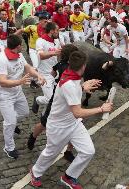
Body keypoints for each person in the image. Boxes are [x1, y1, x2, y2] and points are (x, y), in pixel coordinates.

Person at [30, 50, 113, 188]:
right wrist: (101, 109)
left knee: (88, 151)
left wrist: (83, 86)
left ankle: (69, 177)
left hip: (72, 123)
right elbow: (77, 112)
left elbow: (72, 92)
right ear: (83, 66)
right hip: (59, 126)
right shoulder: (69, 83)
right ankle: (35, 172)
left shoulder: (71, 75)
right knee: (51, 153)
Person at [0, 34, 45, 159]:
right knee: (10, 122)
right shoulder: (1, 59)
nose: (23, 46)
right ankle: (9, 147)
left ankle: (11, 122)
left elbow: (27, 68)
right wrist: (20, 82)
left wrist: (38, 75)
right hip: (3, 94)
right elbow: (3, 82)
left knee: (25, 112)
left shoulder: (20, 55)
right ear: (18, 46)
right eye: (22, 44)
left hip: (17, 91)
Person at [27, 44, 79, 162]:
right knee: (45, 122)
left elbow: (52, 73)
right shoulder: (70, 68)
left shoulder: (59, 64)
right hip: (59, 99)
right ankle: (33, 137)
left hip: (70, 98)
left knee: (75, 124)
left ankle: (68, 150)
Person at [32, 22, 61, 114]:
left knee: (56, 97)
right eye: (57, 30)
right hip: (44, 75)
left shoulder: (56, 41)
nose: (58, 32)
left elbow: (58, 56)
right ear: (51, 31)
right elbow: (41, 55)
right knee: (49, 99)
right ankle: (37, 100)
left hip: (55, 73)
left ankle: (44, 115)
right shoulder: (40, 41)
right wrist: (54, 53)